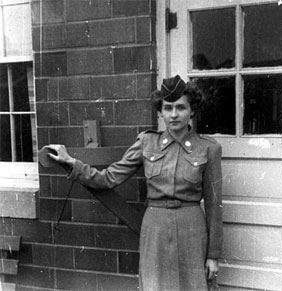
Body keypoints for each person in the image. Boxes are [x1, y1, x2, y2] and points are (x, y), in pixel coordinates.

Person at [46, 75, 223, 291]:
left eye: (181, 107)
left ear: (192, 111)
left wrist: (213, 255)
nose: (174, 114)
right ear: (160, 112)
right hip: (155, 229)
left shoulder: (208, 149)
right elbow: (109, 178)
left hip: (192, 231)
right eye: (168, 108)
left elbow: (214, 207)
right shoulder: (147, 142)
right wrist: (72, 163)